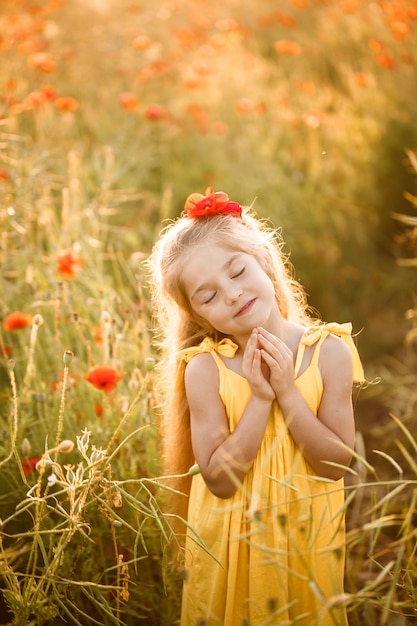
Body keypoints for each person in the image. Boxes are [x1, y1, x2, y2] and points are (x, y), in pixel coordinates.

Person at [148, 187, 365, 626]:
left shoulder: (328, 353)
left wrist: (287, 391)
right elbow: (220, 481)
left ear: (265, 260)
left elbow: (336, 464)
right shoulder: (205, 371)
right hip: (232, 546)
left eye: (237, 271)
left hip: (304, 541)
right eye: (207, 296)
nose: (230, 294)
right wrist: (261, 399)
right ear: (200, 318)